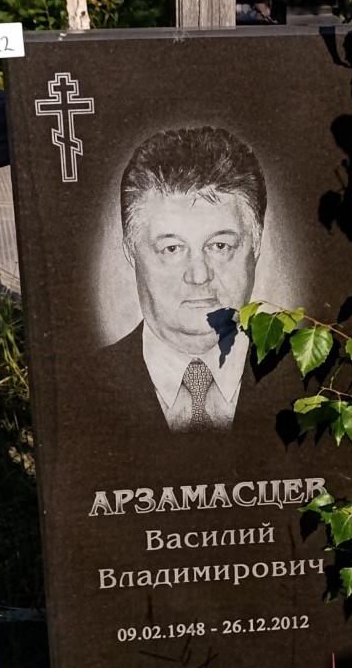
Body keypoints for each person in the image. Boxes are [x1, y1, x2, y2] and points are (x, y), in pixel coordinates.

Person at [92, 124, 278, 437]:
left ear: (255, 245)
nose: (199, 275)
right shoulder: (80, 385)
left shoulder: (313, 378)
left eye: (220, 246)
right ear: (130, 252)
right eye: (172, 248)